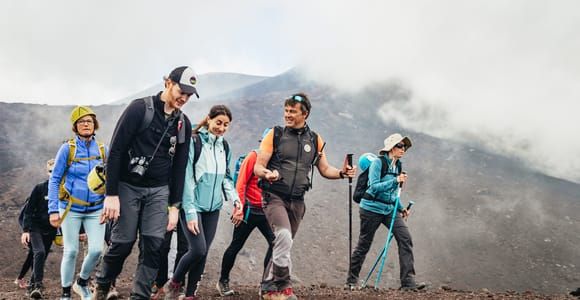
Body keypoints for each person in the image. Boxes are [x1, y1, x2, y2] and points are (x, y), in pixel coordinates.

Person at [94, 66, 195, 300]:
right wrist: (111, 195)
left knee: (153, 246)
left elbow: (180, 167)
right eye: (182, 91)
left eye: (189, 95)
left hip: (159, 190)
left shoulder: (183, 124)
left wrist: (174, 206)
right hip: (128, 186)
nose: (184, 98)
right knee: (122, 243)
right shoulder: (139, 109)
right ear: (168, 83)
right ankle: (102, 283)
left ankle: (139, 296)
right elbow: (116, 151)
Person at [253, 93, 356, 300]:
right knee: (282, 237)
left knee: (283, 243)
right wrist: (267, 173)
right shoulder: (275, 134)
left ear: (305, 114)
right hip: (274, 195)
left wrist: (343, 173)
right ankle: (284, 286)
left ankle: (268, 288)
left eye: (292, 111)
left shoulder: (315, 139)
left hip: (298, 200)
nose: (287, 115)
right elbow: (258, 166)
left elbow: (325, 169)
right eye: (286, 111)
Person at [164, 105, 241, 300]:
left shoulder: (224, 146)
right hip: (193, 206)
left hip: (213, 207)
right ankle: (174, 283)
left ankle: (190, 295)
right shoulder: (195, 142)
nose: (221, 128)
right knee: (197, 249)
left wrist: (235, 199)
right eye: (218, 123)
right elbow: (187, 180)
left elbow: (226, 177)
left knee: (203, 253)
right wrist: (189, 212)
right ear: (209, 119)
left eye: (225, 125)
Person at [345, 133, 426, 291]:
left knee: (405, 238)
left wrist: (401, 208)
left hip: (389, 209)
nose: (403, 150)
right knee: (364, 245)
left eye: (404, 147)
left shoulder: (398, 166)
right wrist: (395, 180)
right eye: (400, 146)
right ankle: (351, 281)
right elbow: (373, 187)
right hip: (371, 208)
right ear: (391, 148)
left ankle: (408, 283)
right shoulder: (378, 163)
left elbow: (393, 194)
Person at [48, 106, 108, 300]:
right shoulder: (68, 149)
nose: (85, 124)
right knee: (71, 251)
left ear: (94, 124)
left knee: (97, 250)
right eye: (81, 121)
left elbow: (111, 178)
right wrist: (53, 210)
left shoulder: (102, 149)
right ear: (75, 126)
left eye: (89, 121)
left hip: (96, 208)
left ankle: (81, 283)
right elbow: (55, 179)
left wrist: (109, 203)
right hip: (70, 208)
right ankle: (65, 294)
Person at [216, 128, 275, 296]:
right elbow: (240, 184)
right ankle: (223, 281)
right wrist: (239, 209)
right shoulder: (253, 157)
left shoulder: (276, 161)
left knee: (275, 243)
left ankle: (266, 284)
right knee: (236, 245)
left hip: (266, 212)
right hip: (249, 211)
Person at [20, 159, 57, 299]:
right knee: (39, 252)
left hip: (51, 229)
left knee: (42, 256)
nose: (53, 174)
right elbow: (28, 211)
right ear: (47, 172)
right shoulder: (39, 188)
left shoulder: (63, 190)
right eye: (50, 171)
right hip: (35, 228)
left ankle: (31, 285)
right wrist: (25, 230)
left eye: (56, 171)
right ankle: (37, 286)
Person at [149, 216, 187, 300]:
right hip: (169, 207)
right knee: (162, 246)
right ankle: (160, 282)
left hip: (186, 208)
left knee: (184, 248)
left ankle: (178, 283)